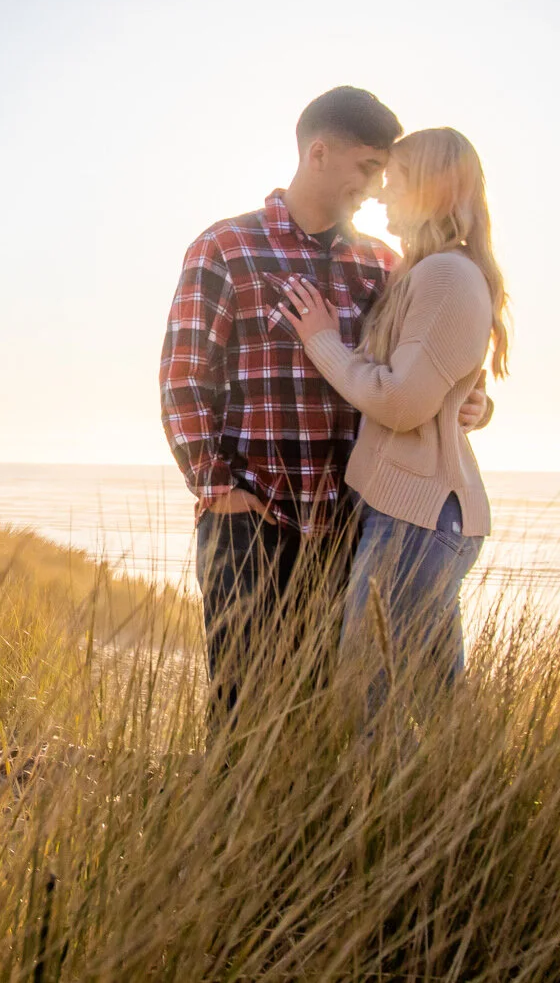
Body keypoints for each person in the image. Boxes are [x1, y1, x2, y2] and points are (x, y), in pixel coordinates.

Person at [160, 89, 491, 726]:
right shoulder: (226, 248)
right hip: (251, 519)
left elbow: (419, 367)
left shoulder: (382, 264)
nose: (377, 187)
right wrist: (215, 485)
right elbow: (183, 377)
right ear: (319, 153)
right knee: (241, 714)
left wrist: (470, 402)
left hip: (348, 526)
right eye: (369, 168)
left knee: (319, 718)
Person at [273, 127, 508, 715]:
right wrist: (470, 405)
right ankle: (445, 804)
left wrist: (323, 343)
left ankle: (394, 807)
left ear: (429, 189)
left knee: (380, 709)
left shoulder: (445, 276)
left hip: (415, 517)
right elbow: (443, 385)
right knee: (427, 704)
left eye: (394, 179)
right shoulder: (422, 272)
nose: (379, 194)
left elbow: (403, 402)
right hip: (412, 511)